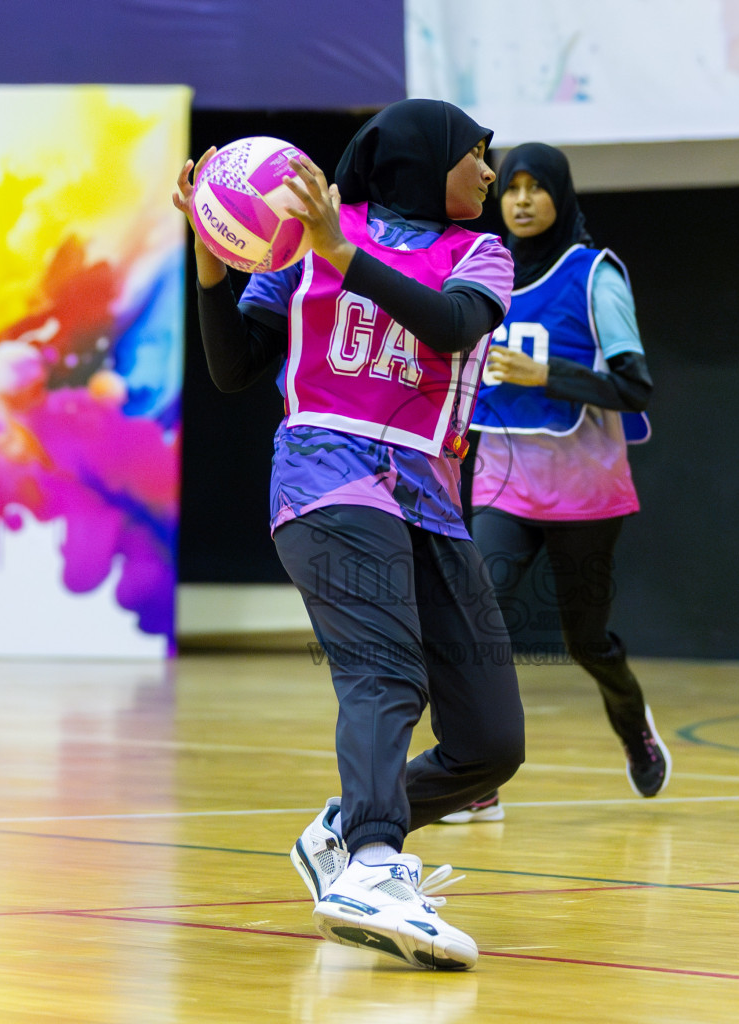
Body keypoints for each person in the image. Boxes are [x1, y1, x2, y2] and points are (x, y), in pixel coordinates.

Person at [171, 99, 524, 971]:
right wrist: (213, 272)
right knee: (386, 670)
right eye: (476, 156)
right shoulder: (302, 231)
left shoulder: (479, 253)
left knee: (491, 744)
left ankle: (344, 824)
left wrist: (343, 256)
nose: (489, 173)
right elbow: (233, 367)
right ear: (423, 157)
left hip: (429, 495)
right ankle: (369, 865)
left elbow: (449, 327)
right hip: (327, 473)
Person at [442, 142, 668, 825]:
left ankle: (634, 728)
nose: (521, 201)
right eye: (511, 187)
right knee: (476, 619)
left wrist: (549, 377)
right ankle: (477, 777)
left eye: (537, 189)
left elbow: (635, 387)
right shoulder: (481, 270)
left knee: (584, 640)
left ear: (560, 197)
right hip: (503, 480)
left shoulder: (595, 275)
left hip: (586, 491)